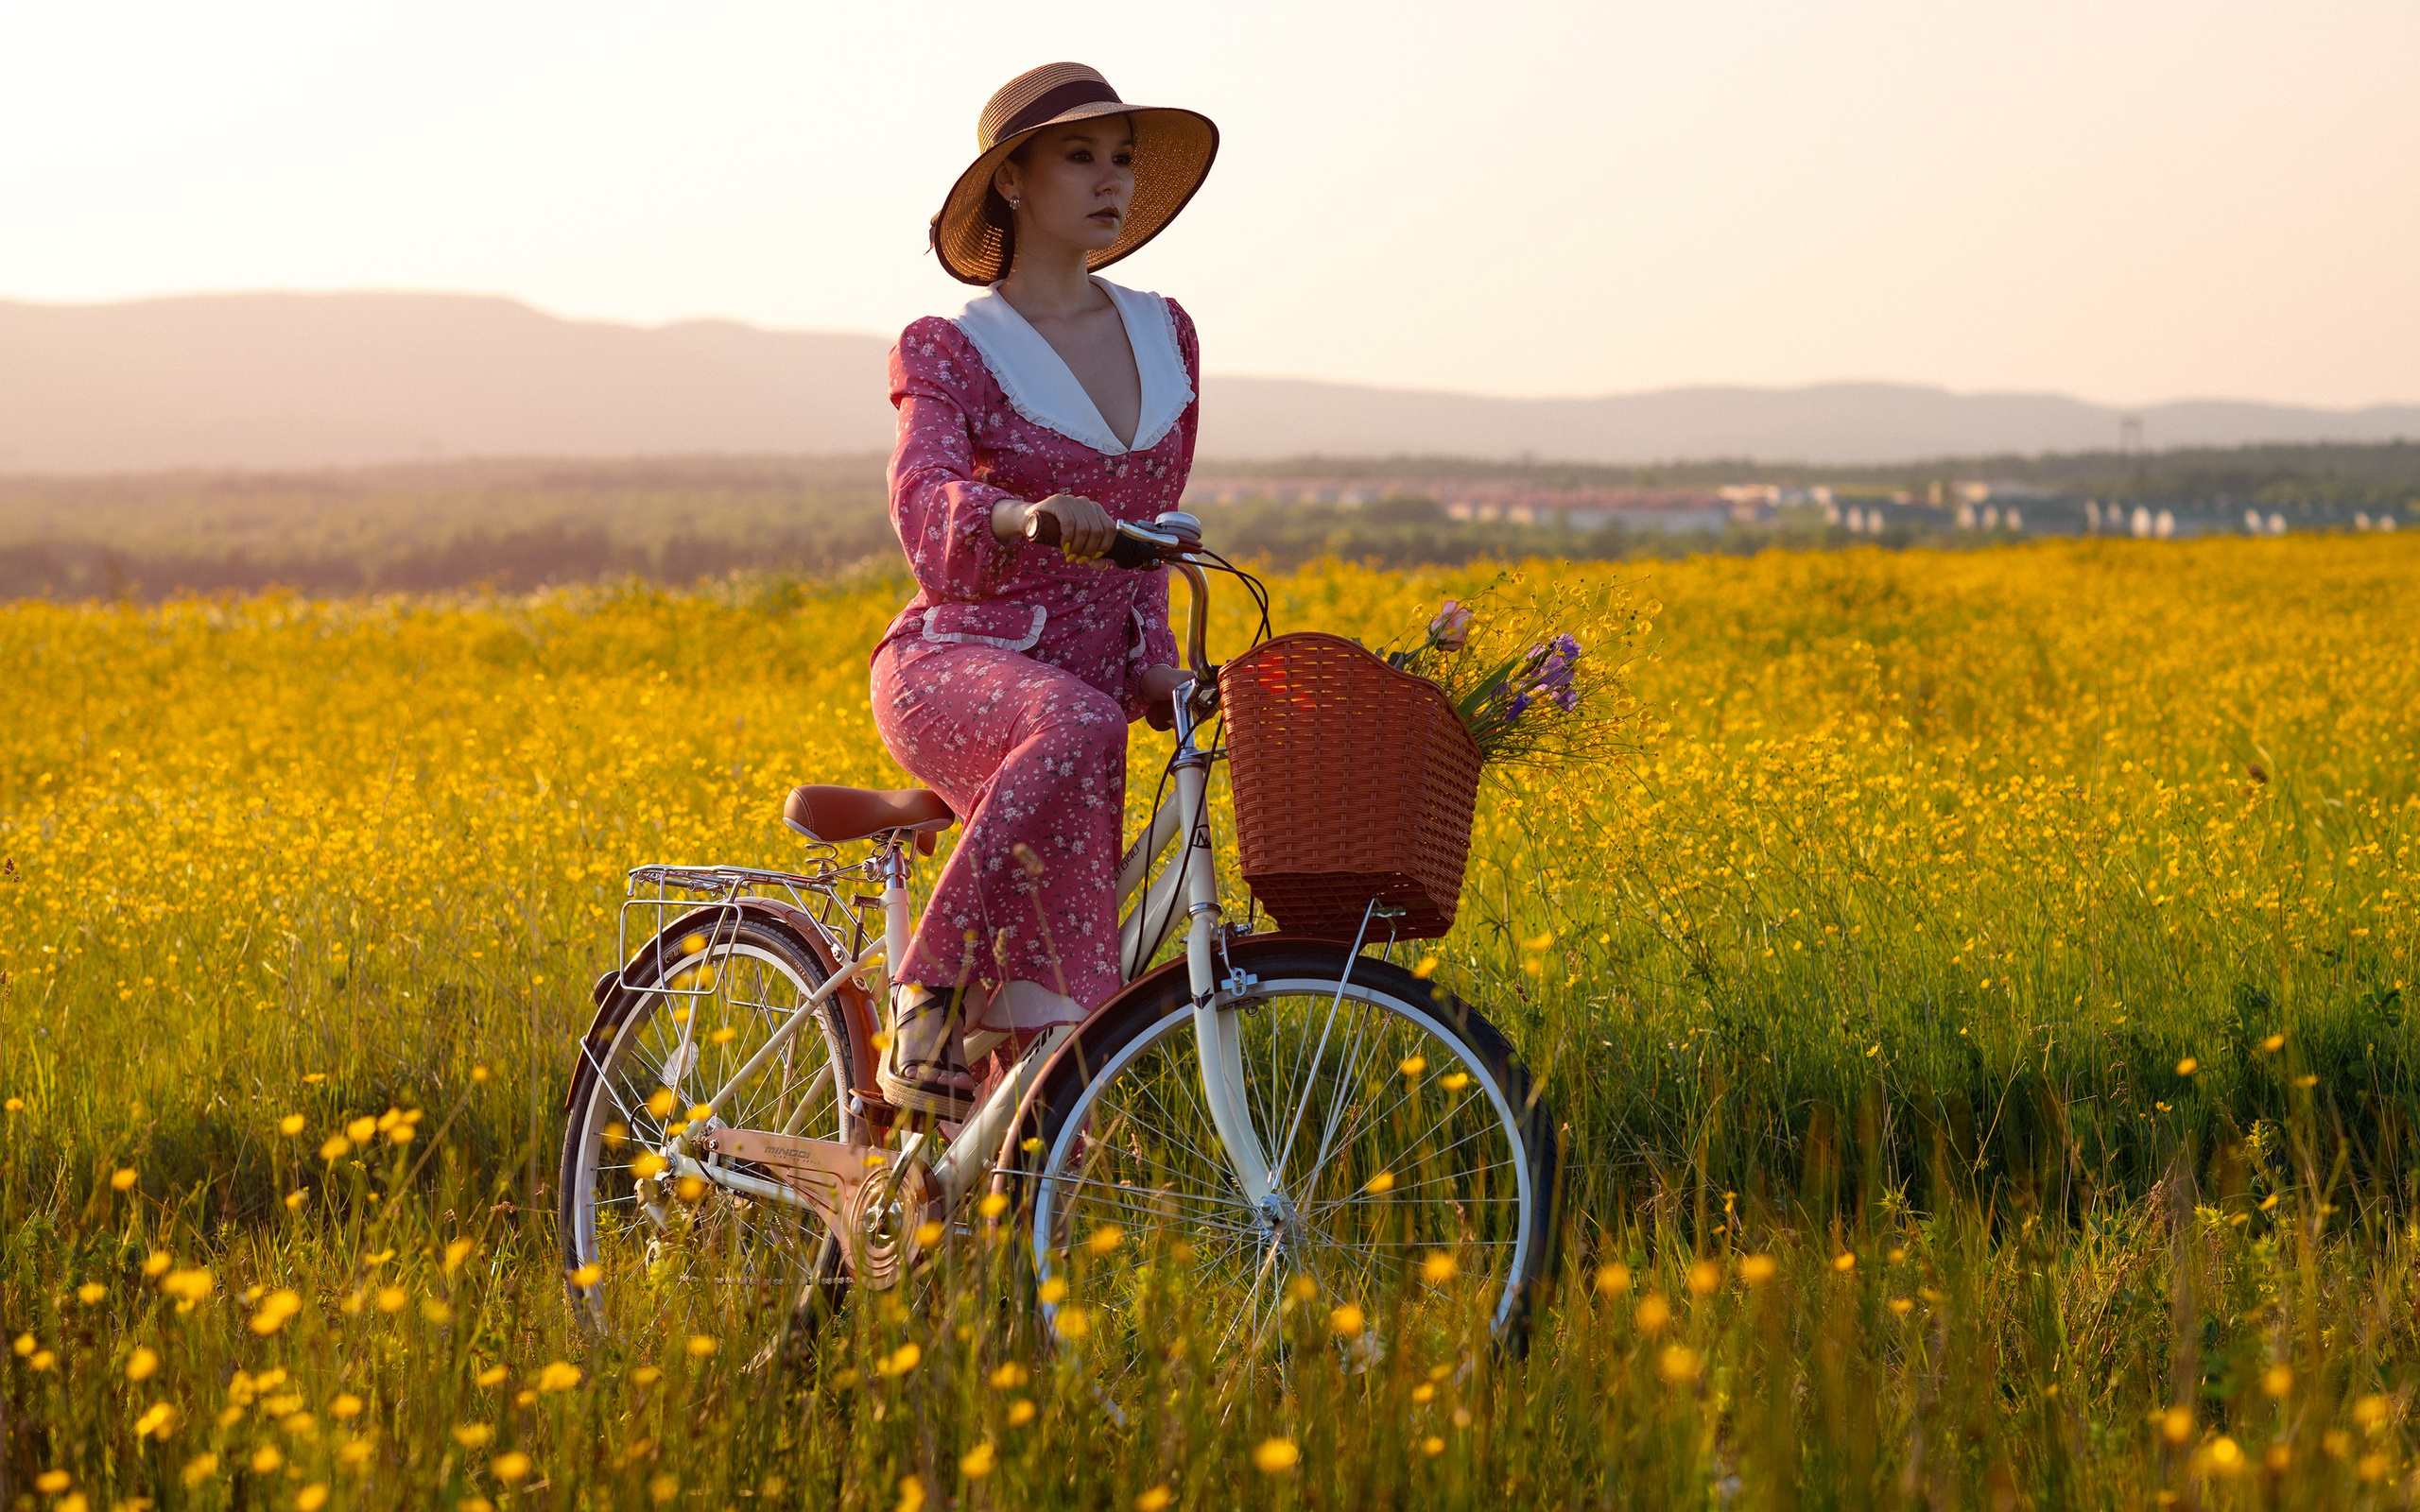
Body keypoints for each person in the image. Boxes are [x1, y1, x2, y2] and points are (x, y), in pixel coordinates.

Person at [869, 63, 1219, 1118]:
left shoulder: (1167, 334)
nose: (1111, 180)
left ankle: (993, 1186)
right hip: (958, 664)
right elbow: (923, 500)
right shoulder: (952, 346)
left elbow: (1149, 535)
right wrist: (1019, 516)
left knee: (1056, 1072)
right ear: (1011, 181)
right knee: (1076, 722)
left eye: (1122, 159)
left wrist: (1158, 669)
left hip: (1087, 705)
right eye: (1080, 156)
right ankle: (928, 993)